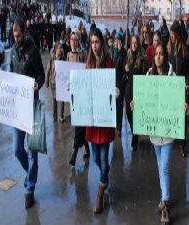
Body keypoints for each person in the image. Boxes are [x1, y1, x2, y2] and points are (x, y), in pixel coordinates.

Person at [130, 43, 189, 224]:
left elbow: (180, 103)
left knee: (164, 166)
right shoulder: (148, 76)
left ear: (166, 57)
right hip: (155, 132)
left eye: (162, 54)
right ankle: (164, 196)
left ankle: (165, 203)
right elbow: (143, 100)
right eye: (156, 54)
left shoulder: (173, 78)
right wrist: (135, 105)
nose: (158, 57)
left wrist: (184, 108)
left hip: (169, 131)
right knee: (160, 165)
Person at [10, 18, 45, 208]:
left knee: (32, 152)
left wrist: (37, 84)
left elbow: (41, 74)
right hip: (17, 107)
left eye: (19, 36)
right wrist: (1, 83)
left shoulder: (33, 50)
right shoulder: (12, 51)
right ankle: (29, 174)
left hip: (31, 106)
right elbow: (10, 71)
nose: (16, 39)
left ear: (24, 32)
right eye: (14, 36)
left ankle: (30, 188)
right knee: (17, 149)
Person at [85, 28, 116, 214]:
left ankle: (100, 193)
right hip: (91, 119)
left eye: (97, 42)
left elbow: (112, 84)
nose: (95, 46)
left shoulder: (108, 62)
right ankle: (105, 177)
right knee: (96, 157)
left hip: (104, 118)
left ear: (101, 44)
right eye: (92, 42)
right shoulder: (88, 64)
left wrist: (115, 91)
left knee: (103, 158)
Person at [167, 20, 189, 158]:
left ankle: (182, 144)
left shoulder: (184, 50)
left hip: (182, 90)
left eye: (173, 33)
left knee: (182, 117)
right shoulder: (168, 49)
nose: (171, 36)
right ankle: (172, 139)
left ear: (178, 34)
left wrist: (187, 82)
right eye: (170, 33)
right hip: (170, 90)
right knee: (172, 115)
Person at [67, 28, 90, 166]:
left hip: (83, 94)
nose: (73, 42)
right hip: (73, 95)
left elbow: (87, 72)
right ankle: (87, 148)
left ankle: (75, 152)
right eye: (71, 40)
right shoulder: (69, 55)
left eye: (76, 40)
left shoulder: (83, 54)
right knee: (80, 124)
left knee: (79, 124)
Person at [124, 35, 148, 151]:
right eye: (132, 42)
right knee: (128, 112)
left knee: (136, 114)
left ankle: (135, 139)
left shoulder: (142, 59)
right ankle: (135, 131)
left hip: (138, 90)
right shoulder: (128, 56)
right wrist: (126, 69)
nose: (133, 44)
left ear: (138, 44)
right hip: (129, 89)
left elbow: (144, 77)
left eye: (135, 43)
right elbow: (124, 74)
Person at [45, 42, 65, 123]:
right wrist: (46, 81)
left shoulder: (63, 58)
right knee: (54, 100)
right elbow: (48, 70)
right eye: (59, 48)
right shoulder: (52, 58)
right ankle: (54, 116)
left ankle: (61, 116)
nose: (61, 49)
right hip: (53, 82)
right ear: (56, 49)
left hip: (61, 83)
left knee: (62, 100)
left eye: (61, 48)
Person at [113, 32, 127, 137]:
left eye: (117, 41)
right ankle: (114, 124)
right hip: (112, 82)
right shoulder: (113, 52)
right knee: (113, 106)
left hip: (120, 84)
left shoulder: (123, 53)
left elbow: (124, 68)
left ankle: (119, 127)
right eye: (115, 40)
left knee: (119, 106)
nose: (115, 42)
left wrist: (121, 50)